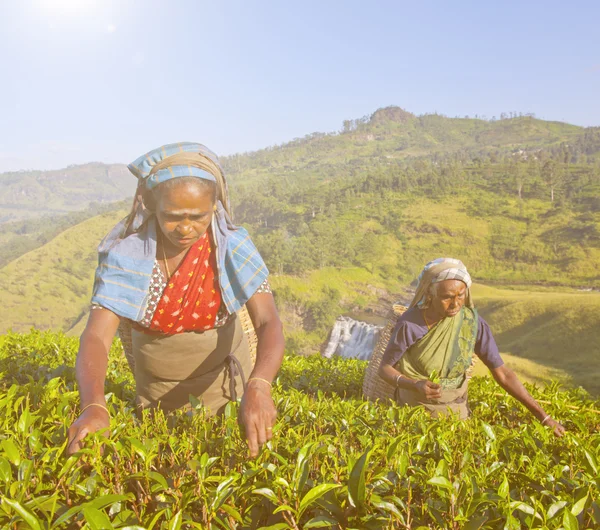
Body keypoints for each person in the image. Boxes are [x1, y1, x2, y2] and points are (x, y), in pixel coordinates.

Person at [67, 142, 285, 457]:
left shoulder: (231, 248)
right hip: (154, 395)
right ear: (152, 206)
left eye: (198, 216)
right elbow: (97, 337)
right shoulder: (127, 257)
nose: (185, 228)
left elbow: (268, 321)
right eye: (173, 216)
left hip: (228, 392)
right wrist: (93, 404)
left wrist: (259, 385)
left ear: (215, 207)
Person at [378, 258, 564, 436]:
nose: (456, 303)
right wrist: (414, 384)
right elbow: (385, 369)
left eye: (461, 295)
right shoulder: (410, 324)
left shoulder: (473, 324)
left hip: (458, 415)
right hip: (414, 414)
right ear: (430, 294)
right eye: (447, 297)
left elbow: (503, 374)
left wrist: (543, 417)